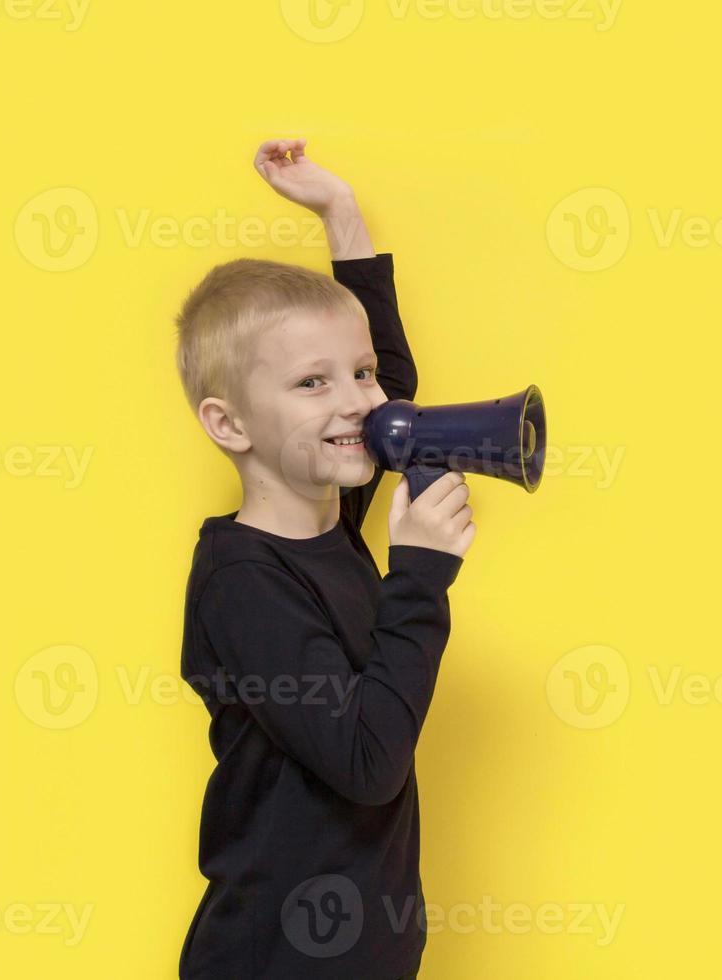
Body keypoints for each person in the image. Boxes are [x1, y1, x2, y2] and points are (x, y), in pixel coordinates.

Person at [174, 138, 473, 979]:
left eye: (362, 373)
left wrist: (341, 215)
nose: (359, 401)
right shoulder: (241, 582)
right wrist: (417, 577)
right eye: (313, 383)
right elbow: (367, 762)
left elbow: (390, 391)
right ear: (230, 425)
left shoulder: (334, 519)